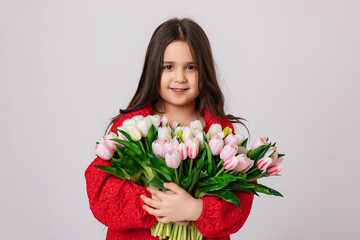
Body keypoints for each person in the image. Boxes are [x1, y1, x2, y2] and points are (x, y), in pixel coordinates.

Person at [85, 17, 255, 240]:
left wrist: (196, 209)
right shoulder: (130, 126)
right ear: (153, 70)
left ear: (204, 71)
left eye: (191, 67)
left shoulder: (220, 133)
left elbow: (239, 200)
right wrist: (160, 205)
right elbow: (100, 189)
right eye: (168, 67)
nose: (179, 78)